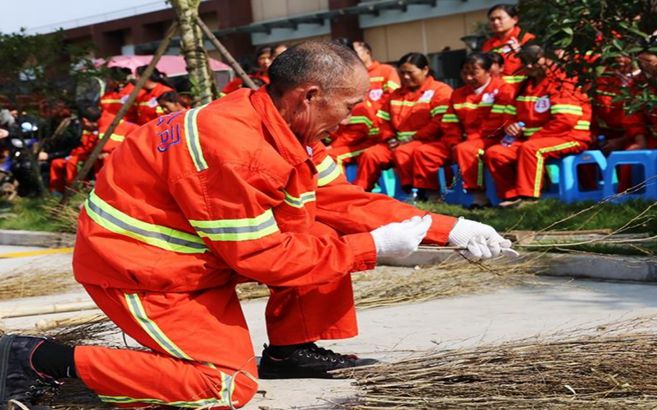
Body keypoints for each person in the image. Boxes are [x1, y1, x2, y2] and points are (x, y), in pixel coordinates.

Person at [0, 41, 513, 409]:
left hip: (194, 264)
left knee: (322, 232)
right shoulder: (236, 151)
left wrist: (447, 227)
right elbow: (263, 258)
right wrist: (375, 248)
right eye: (352, 104)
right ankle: (37, 358)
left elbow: (342, 201)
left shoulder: (286, 129)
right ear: (310, 95)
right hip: (142, 271)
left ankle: (291, 351)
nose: (358, 116)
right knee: (223, 386)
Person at [484, 42, 592, 207]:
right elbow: (509, 113)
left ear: (548, 59)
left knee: (531, 149)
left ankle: (529, 199)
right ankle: (511, 197)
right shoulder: (523, 85)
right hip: (533, 139)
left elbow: (565, 120)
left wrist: (533, 138)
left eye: (534, 60)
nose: (528, 65)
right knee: (495, 153)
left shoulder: (563, 82)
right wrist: (510, 125)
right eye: (525, 61)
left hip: (570, 136)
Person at [413, 53, 516, 206]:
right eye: (464, 73)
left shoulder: (503, 90)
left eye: (474, 72)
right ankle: (433, 197)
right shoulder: (458, 94)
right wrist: (452, 142)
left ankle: (479, 198)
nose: (468, 78)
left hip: (492, 139)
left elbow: (497, 123)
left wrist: (466, 142)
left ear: (488, 71)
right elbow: (449, 123)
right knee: (425, 152)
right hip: (462, 141)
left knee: (466, 150)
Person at [353, 52, 453, 192]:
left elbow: (439, 123)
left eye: (410, 72)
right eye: (402, 73)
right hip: (396, 143)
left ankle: (413, 192)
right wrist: (389, 138)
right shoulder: (396, 94)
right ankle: (361, 193)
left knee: (404, 152)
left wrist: (413, 138)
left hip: (428, 141)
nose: (405, 77)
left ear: (425, 70)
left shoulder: (440, 91)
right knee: (370, 155)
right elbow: (382, 121)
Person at [326, 40, 401, 168]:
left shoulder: (386, 71)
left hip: (378, 130)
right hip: (353, 130)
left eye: (355, 52)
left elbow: (394, 102)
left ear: (367, 52)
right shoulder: (347, 78)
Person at [48, 105, 101, 194]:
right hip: (77, 154)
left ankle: (73, 190)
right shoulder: (83, 130)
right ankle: (57, 191)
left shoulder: (101, 130)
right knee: (56, 163)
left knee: (72, 162)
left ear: (84, 121)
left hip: (89, 157)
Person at [481, 4, 535, 86]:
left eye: (500, 18)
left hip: (522, 90)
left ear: (515, 19)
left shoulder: (526, 39)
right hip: (498, 91)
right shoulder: (488, 44)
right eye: (492, 19)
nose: (495, 22)